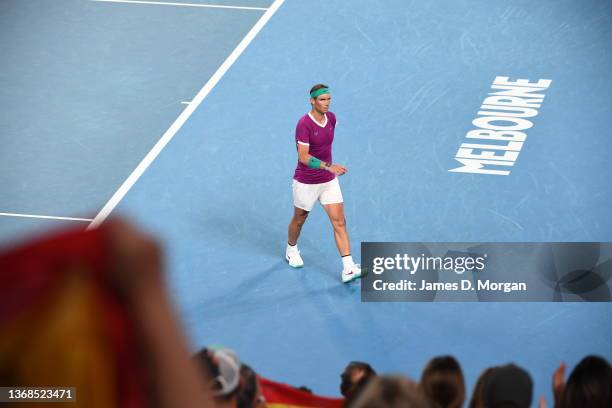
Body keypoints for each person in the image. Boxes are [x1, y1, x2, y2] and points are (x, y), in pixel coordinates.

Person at [285, 84, 362, 283]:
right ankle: (291, 248)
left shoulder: (332, 119)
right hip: (306, 182)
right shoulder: (304, 124)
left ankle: (348, 268)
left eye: (328, 99)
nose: (326, 103)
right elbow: (303, 157)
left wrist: (329, 171)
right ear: (312, 101)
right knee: (299, 219)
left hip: (328, 181)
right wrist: (329, 166)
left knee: (339, 221)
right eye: (322, 100)